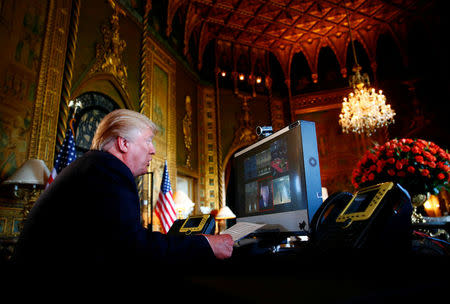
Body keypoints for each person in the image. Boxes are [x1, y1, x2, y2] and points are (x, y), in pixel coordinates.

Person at [12, 109, 233, 268]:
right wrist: (205, 244)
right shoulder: (107, 171)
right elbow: (132, 249)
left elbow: (117, 242)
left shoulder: (94, 166)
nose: (153, 150)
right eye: (147, 141)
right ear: (123, 143)